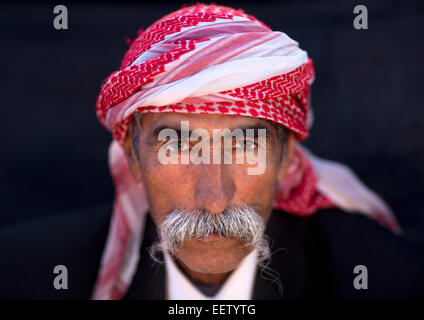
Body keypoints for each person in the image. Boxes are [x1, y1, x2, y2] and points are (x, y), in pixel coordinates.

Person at [1, 3, 423, 300]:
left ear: (285, 157)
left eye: (245, 144)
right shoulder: (25, 274)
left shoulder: (389, 279)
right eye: (178, 144)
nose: (214, 198)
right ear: (133, 156)